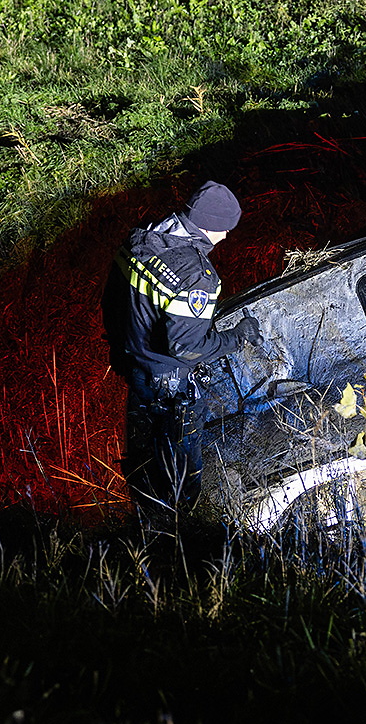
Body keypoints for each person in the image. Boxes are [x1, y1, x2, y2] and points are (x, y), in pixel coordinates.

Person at [103, 181, 261, 523]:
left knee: (143, 454)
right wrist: (236, 337)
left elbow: (112, 299)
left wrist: (122, 348)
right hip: (169, 383)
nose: (226, 238)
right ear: (217, 227)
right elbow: (186, 348)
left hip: (135, 367)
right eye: (227, 231)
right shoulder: (199, 277)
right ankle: (183, 526)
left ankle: (142, 516)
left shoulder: (141, 239)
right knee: (181, 464)